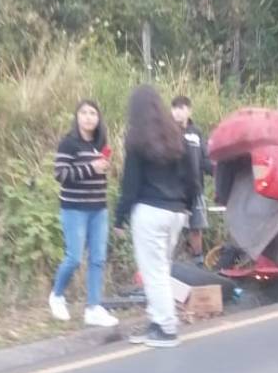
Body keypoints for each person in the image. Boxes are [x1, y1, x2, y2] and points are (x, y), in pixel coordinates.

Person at [114, 85, 200, 348]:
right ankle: (155, 322)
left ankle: (166, 327)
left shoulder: (137, 140)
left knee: (154, 273)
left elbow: (130, 184)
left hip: (149, 211)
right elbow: (193, 179)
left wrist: (120, 218)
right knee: (161, 268)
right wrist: (186, 206)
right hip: (175, 213)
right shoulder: (177, 137)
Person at [49, 100, 119, 327]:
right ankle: (57, 295)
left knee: (98, 259)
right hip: (74, 208)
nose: (89, 117)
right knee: (74, 257)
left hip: (98, 208)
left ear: (98, 118)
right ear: (77, 117)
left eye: (93, 113)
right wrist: (91, 168)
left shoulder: (100, 144)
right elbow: (60, 174)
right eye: (84, 113)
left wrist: (104, 167)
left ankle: (93, 307)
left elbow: (100, 173)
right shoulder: (68, 143)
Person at [171, 95, 214, 264]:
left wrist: (218, 171)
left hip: (196, 189)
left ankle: (198, 265)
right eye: (175, 108)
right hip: (174, 192)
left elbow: (205, 159)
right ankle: (172, 266)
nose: (178, 113)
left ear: (189, 111)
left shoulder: (196, 132)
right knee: (174, 231)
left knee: (196, 229)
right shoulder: (168, 132)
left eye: (182, 108)